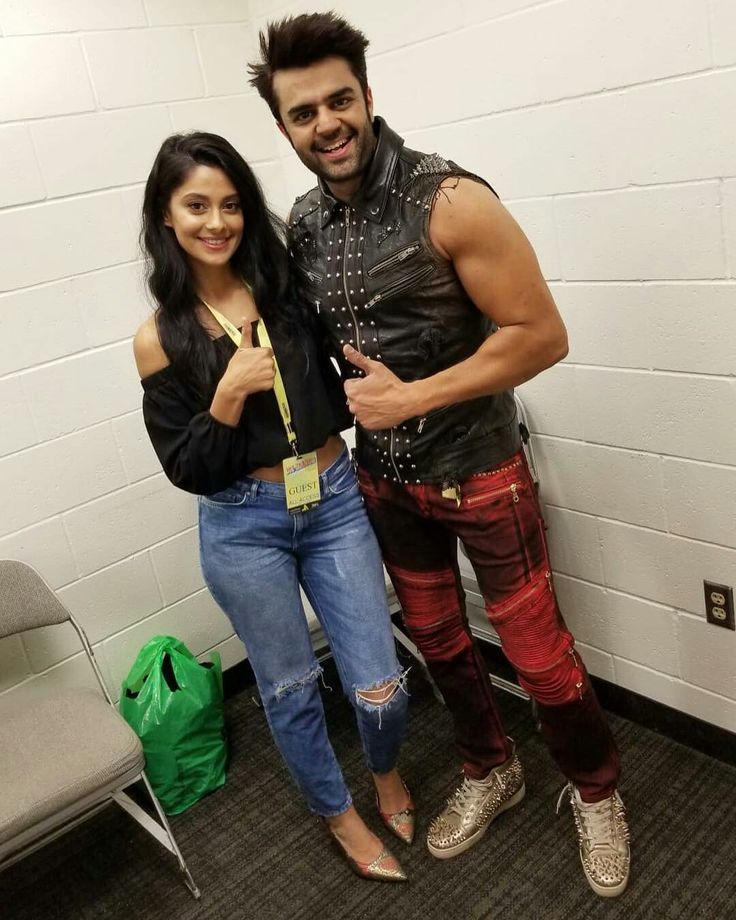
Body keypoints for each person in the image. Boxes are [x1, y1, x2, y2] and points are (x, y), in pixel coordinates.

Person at [248, 13, 631, 898]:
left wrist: (415, 395)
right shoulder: (306, 222)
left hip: (484, 472)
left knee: (535, 655)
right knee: (441, 641)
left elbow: (543, 335)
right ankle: (491, 767)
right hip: (385, 488)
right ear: (286, 129)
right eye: (303, 113)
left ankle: (596, 790)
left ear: (369, 98)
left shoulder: (449, 198)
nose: (326, 123)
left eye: (339, 100)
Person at [132, 131, 415, 883]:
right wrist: (225, 397)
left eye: (229, 204)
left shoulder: (282, 285)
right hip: (241, 522)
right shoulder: (159, 338)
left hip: (331, 499)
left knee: (378, 685)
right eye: (196, 205)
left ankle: (385, 771)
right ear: (166, 215)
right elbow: (186, 467)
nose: (216, 221)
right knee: (289, 689)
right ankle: (340, 814)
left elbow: (336, 359)